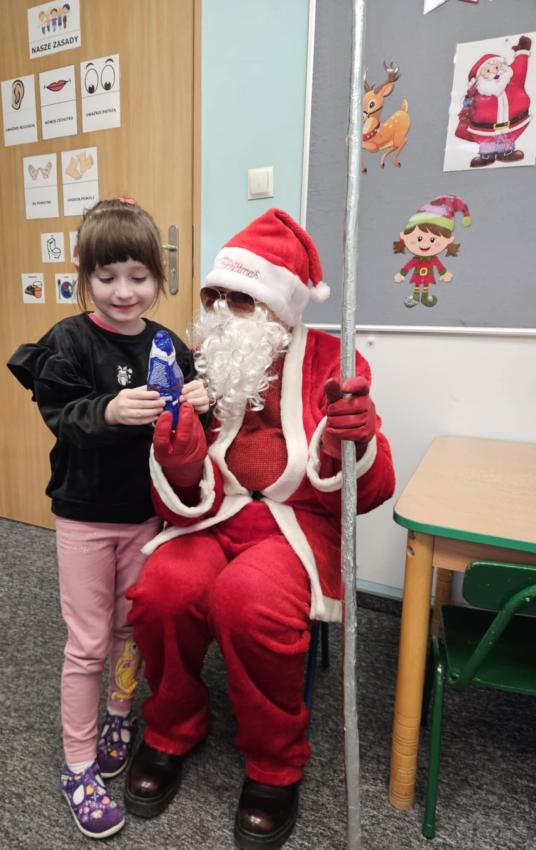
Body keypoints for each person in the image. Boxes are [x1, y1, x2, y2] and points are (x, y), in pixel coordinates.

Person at [124, 208, 395, 848]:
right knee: (162, 590)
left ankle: (275, 762)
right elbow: (179, 497)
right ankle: (172, 726)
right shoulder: (199, 363)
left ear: (279, 306)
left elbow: (370, 493)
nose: (221, 311)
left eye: (240, 299)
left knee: (249, 602)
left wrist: (356, 442)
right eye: (212, 296)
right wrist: (180, 458)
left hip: (297, 524)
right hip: (215, 515)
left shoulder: (334, 359)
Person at [6, 198, 210, 840]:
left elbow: (190, 429)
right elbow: (61, 415)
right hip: (85, 516)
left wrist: (201, 402)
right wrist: (107, 411)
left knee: (129, 628)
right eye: (107, 276)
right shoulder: (68, 341)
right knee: (87, 641)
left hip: (145, 515)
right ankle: (77, 766)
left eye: (139, 277)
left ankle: (120, 715)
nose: (124, 291)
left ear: (159, 276)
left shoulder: (167, 344)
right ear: (85, 275)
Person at [455, 36, 532, 168]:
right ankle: (486, 157)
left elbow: (520, 67)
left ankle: (506, 153)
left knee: (508, 139)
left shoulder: (511, 78)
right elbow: (468, 107)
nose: (495, 72)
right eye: (488, 70)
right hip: (485, 129)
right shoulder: (477, 91)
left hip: (513, 124)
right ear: (480, 76)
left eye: (497, 66)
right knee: (487, 143)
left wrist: (522, 51)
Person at [393, 195, 472, 308]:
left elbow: (439, 265)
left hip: (427, 276)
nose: (425, 244)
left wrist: (444, 273)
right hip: (418, 276)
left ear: (448, 241)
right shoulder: (416, 259)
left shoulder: (433, 258)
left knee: (425, 285)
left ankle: (425, 297)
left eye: (432, 240)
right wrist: (401, 274)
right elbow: (409, 265)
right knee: (417, 285)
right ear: (404, 237)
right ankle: (415, 296)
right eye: (419, 238)